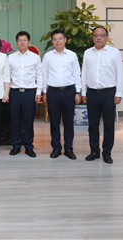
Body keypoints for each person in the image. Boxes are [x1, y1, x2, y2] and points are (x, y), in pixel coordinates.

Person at [81, 27, 123, 164]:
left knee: (109, 125)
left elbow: (120, 74)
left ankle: (107, 153)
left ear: (106, 37)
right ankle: (94, 151)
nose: (98, 37)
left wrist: (119, 93)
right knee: (92, 124)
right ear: (92, 38)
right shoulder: (88, 53)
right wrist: (83, 92)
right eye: (96, 35)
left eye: (101, 35)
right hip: (92, 93)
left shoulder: (114, 52)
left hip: (108, 93)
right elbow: (84, 73)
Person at [42, 29, 82, 160]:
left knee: (68, 122)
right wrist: (44, 92)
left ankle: (69, 149)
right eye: (55, 39)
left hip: (69, 92)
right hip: (53, 92)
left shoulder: (72, 55)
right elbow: (44, 75)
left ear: (65, 40)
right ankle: (56, 148)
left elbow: (77, 74)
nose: (58, 41)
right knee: (54, 122)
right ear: (52, 41)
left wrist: (78, 92)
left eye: (60, 38)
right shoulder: (48, 56)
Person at [8, 31, 43, 158]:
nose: (22, 42)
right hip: (15, 92)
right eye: (20, 40)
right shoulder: (11, 57)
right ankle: (16, 146)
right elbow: (7, 76)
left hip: (29, 93)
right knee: (15, 120)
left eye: (25, 40)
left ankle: (29, 147)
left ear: (28, 42)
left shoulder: (35, 57)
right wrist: (6, 92)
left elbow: (40, 75)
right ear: (16, 42)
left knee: (29, 121)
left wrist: (39, 92)